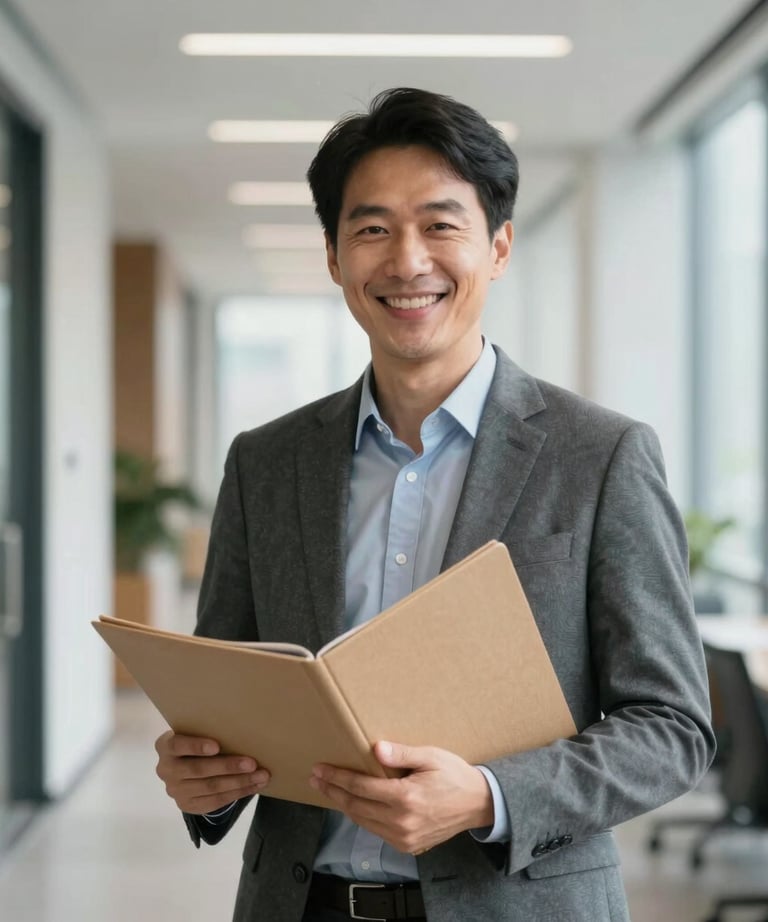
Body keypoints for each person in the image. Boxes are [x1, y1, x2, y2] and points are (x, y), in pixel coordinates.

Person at [154, 87, 715, 922]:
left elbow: (672, 727)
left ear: (498, 247)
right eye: (372, 228)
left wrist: (491, 794)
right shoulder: (266, 463)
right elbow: (229, 693)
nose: (407, 261)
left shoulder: (600, 456)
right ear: (336, 257)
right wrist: (201, 778)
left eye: (441, 225)